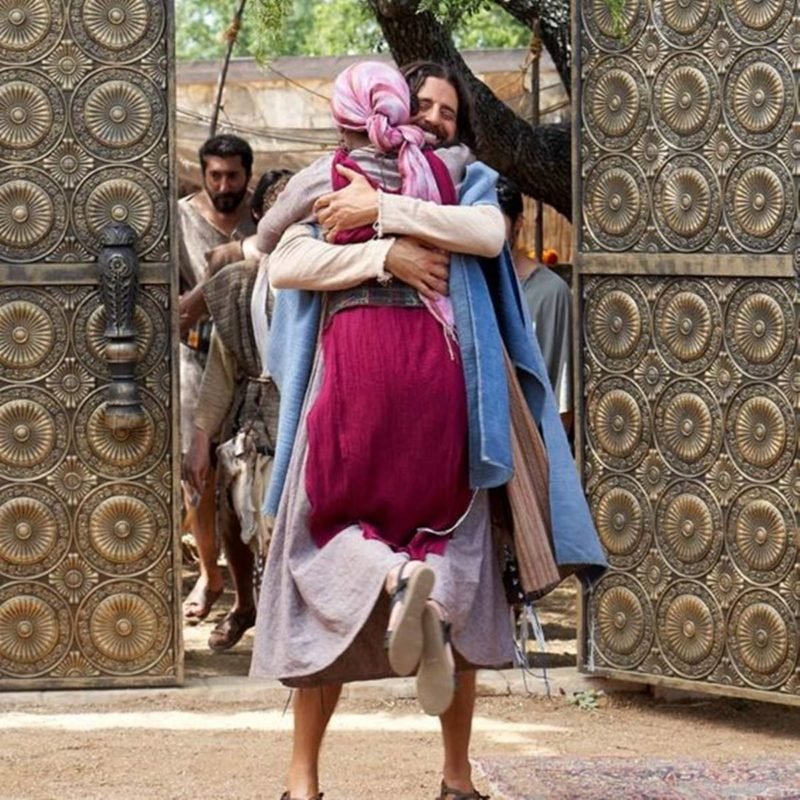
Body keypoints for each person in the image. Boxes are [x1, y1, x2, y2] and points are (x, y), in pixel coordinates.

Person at [252, 61, 606, 800]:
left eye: (450, 110)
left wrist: (378, 213)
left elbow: (272, 249)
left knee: (319, 546)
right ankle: (447, 748)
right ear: (399, 108)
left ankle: (308, 780)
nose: (438, 118)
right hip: (448, 399)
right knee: (460, 553)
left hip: (366, 392)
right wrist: (386, 249)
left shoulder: (374, 172)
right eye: (425, 104)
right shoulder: (445, 173)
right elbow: (284, 257)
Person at [182, 171, 292, 651]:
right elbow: (221, 371)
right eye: (279, 209)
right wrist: (201, 441)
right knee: (234, 510)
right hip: (252, 408)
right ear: (263, 218)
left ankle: (290, 621)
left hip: (306, 415)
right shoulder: (238, 281)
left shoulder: (331, 271)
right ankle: (245, 605)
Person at [178, 134, 256, 624]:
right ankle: (210, 575)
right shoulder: (182, 217)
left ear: (248, 174)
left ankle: (252, 595)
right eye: (215, 175)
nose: (223, 184)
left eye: (232, 175)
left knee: (245, 478)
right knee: (198, 476)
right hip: (195, 358)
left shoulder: (264, 218)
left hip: (250, 363)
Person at [496, 177, 574, 433]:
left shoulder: (549, 294)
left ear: (518, 224)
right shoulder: (456, 285)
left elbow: (562, 406)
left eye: (495, 223)